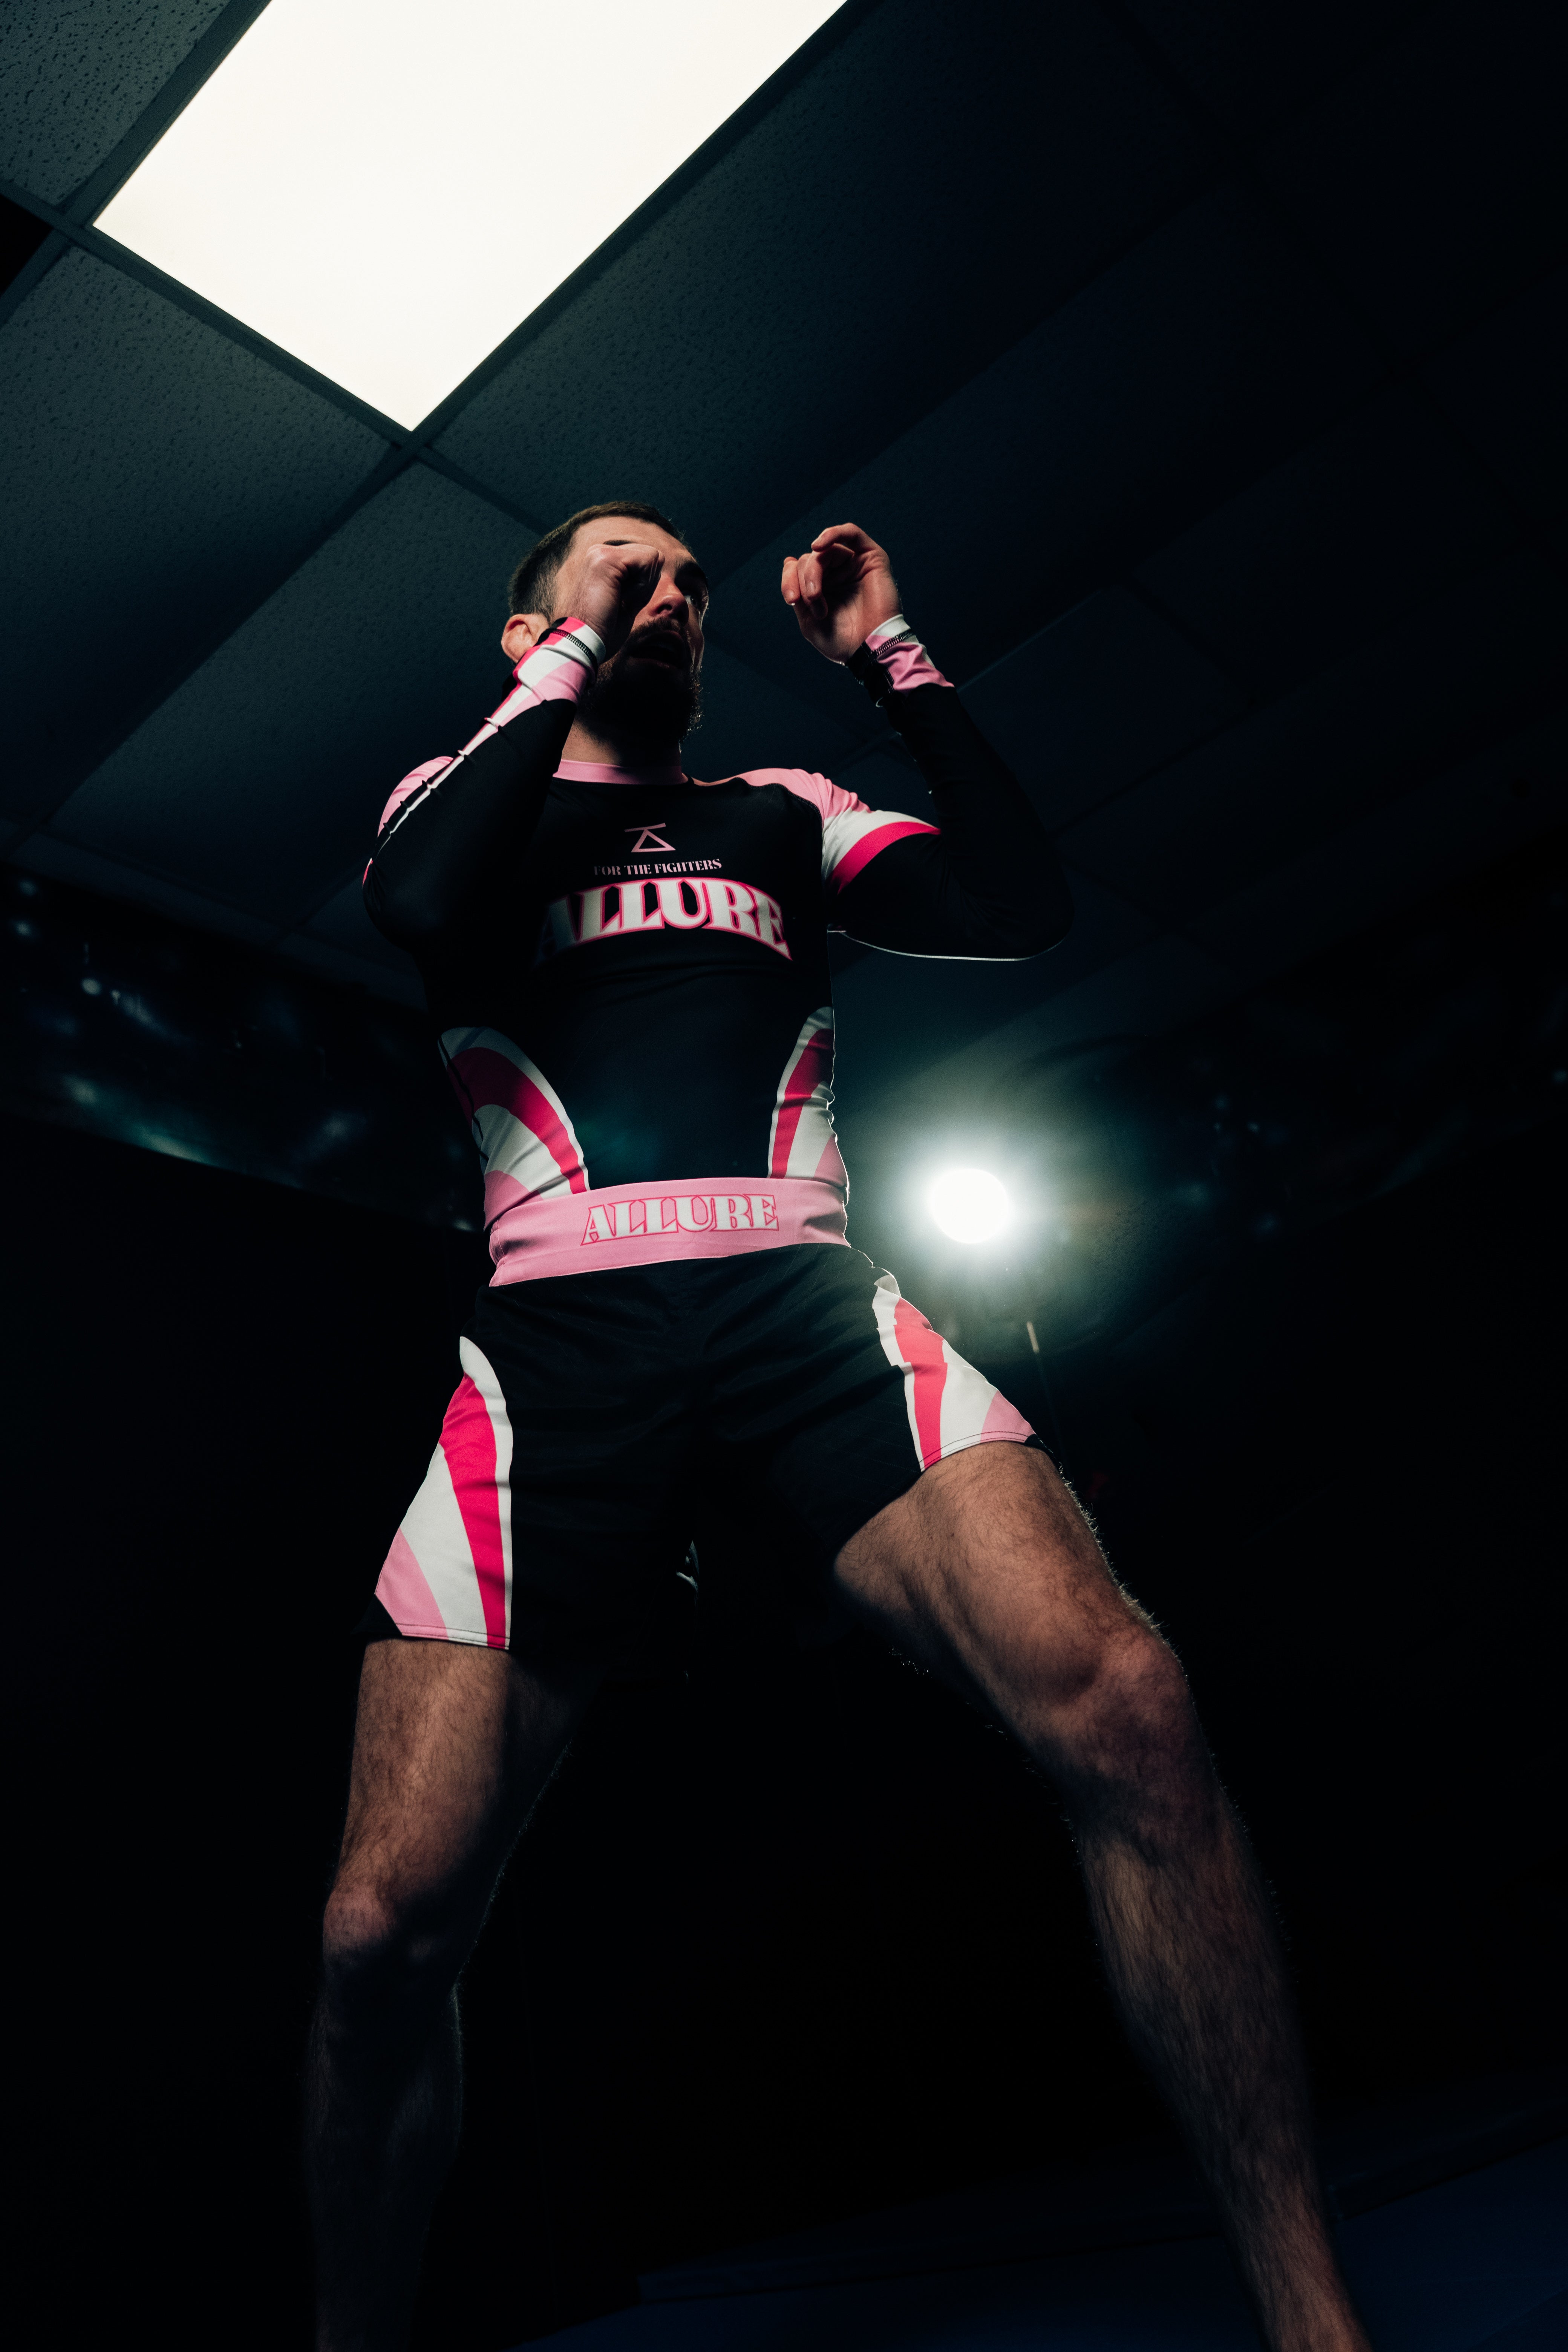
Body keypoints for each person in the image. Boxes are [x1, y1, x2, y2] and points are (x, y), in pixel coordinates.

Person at [306, 505, 1372, 2352]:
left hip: (802, 1308)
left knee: (1127, 1707)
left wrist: (892, 653)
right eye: (620, 569)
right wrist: (574, 652)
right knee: (377, 1932)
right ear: (527, 631)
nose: (665, 594)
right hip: (561, 1348)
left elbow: (1018, 907)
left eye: (684, 582)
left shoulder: (781, 810)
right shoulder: (458, 799)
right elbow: (415, 906)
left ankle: (1313, 2325)